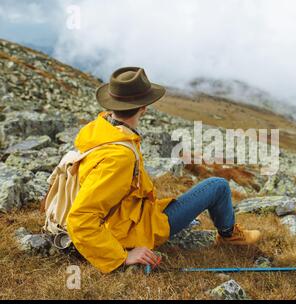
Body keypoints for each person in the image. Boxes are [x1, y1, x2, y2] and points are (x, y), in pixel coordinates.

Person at [66, 67, 261, 273]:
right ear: (144, 108)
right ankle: (229, 236)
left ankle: (228, 233)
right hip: (129, 231)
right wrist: (121, 256)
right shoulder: (119, 156)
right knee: (218, 186)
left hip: (127, 217)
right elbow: (80, 218)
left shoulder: (101, 130)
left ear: (111, 105)